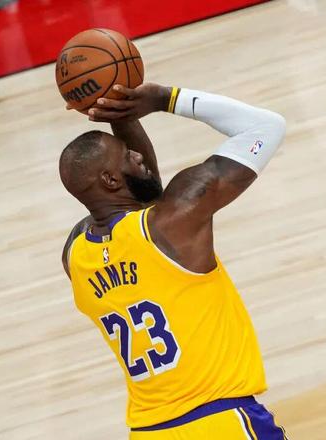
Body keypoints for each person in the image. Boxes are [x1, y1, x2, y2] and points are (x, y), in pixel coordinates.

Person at [59, 83, 288, 439]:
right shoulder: (172, 222)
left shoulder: (75, 255)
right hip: (220, 422)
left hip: (149, 431)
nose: (139, 156)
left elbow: (140, 203)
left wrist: (123, 115)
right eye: (128, 156)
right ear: (110, 179)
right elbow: (266, 126)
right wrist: (165, 99)